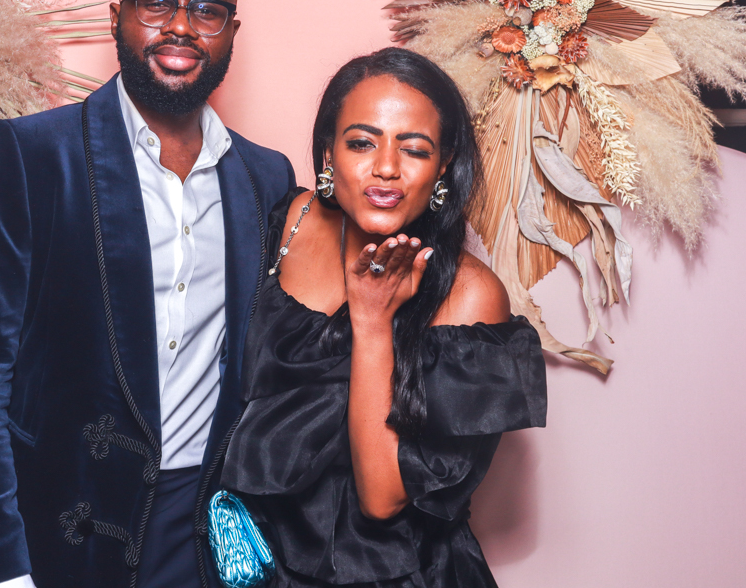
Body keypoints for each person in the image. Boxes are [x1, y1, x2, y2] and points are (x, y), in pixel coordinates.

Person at [0, 0, 295, 588]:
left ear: (231, 30)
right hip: (44, 534)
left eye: (205, 10)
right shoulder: (30, 157)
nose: (180, 25)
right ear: (116, 17)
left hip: (193, 541)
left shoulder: (265, 180)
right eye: (156, 2)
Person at [220, 48, 546, 587]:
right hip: (256, 562)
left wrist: (372, 322)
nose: (387, 167)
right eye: (361, 142)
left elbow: (382, 498)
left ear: (443, 166)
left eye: (414, 149)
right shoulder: (295, 220)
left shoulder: (470, 295)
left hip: (389, 573)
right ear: (328, 154)